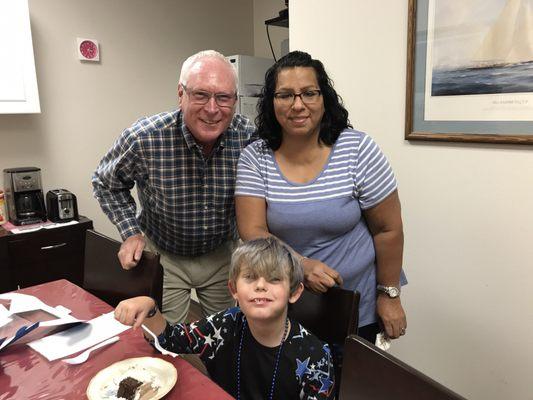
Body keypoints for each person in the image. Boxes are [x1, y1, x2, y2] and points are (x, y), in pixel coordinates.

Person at [234, 51, 407, 344]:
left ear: (324, 98)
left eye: (309, 93)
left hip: (356, 306)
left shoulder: (357, 149)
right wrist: (300, 265)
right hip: (285, 303)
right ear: (272, 103)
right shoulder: (256, 156)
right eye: (285, 95)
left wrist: (389, 295)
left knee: (351, 386)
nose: (298, 105)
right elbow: (253, 230)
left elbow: (387, 229)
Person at [92, 50, 256, 324]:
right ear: (181, 94)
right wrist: (130, 233)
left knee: (226, 336)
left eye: (223, 97)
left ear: (235, 101)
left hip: (222, 254)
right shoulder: (144, 138)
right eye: (201, 95)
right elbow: (105, 182)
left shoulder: (248, 136)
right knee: (165, 341)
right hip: (166, 254)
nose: (212, 109)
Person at [114, 237, 335, 400]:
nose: (260, 286)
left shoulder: (315, 357)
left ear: (294, 292)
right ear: (233, 289)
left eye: (274, 279)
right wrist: (150, 309)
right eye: (249, 277)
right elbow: (169, 340)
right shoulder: (224, 325)